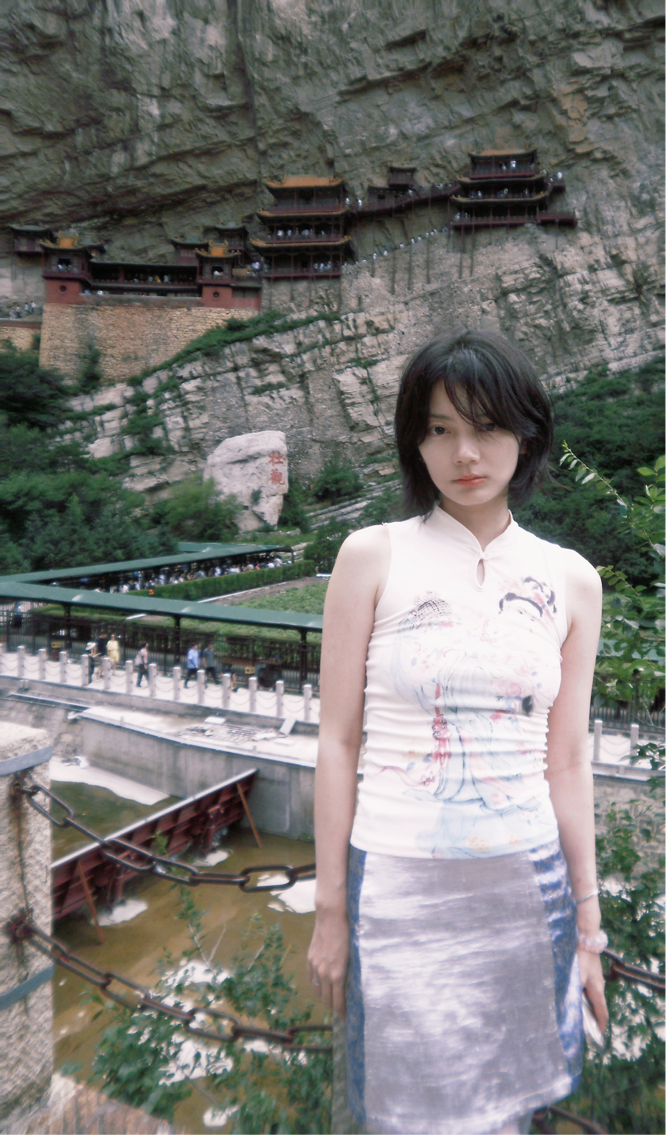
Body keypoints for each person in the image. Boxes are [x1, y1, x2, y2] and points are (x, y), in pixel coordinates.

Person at [307, 330, 608, 1135]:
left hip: (526, 882)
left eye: (485, 426)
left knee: (510, 1107)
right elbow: (337, 740)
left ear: (526, 434)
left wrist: (588, 923)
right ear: (416, 440)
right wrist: (330, 907)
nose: (464, 452)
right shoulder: (372, 556)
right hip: (397, 884)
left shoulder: (572, 579)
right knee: (400, 1107)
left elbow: (568, 761)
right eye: (439, 428)